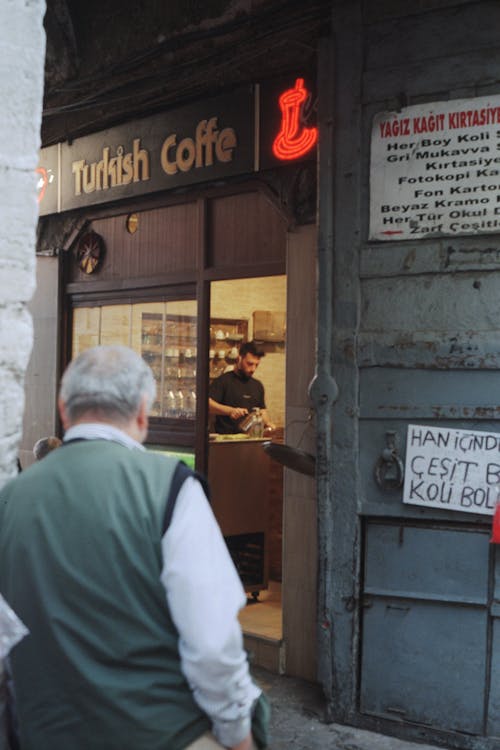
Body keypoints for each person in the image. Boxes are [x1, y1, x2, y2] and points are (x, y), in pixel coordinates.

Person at [0, 345, 269, 750]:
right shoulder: (172, 487)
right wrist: (240, 737)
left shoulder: (11, 498)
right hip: (156, 733)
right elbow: (213, 645)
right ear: (143, 411)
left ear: (63, 408)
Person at [208, 341, 275, 434]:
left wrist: (268, 423)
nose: (253, 369)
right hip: (227, 440)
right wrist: (230, 411)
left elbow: (262, 410)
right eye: (250, 364)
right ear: (239, 359)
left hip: (250, 439)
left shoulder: (257, 385)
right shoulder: (223, 381)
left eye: (256, 365)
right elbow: (208, 404)